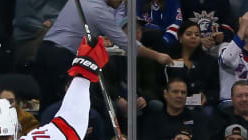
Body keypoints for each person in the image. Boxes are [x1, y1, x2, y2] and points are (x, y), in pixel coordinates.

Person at [38, 0, 171, 108]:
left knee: (48, 104)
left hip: (45, 50)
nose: (122, 3)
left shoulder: (81, 2)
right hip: (61, 57)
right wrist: (158, 56)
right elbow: (128, 43)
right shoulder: (99, 10)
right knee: (61, 106)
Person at [139, 77, 210, 140]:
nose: (179, 95)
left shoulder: (197, 118)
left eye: (183, 92)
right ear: (166, 94)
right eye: (175, 92)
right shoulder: (153, 119)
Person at [164, 21, 220, 112]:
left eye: (197, 35)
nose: (193, 37)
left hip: (200, 105)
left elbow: (214, 89)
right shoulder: (168, 58)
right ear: (180, 37)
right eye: (189, 34)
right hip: (173, 103)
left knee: (208, 112)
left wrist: (207, 97)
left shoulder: (210, 62)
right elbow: (161, 84)